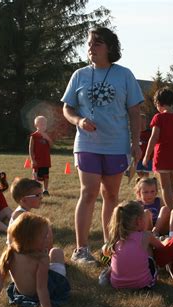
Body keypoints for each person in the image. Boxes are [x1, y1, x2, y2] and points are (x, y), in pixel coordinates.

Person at [61, 27, 144, 264]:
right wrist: (78, 120)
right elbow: (67, 108)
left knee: (111, 195)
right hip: (86, 143)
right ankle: (82, 249)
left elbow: (134, 111)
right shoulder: (79, 75)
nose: (91, 48)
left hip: (116, 145)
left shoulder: (124, 75)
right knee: (88, 193)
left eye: (97, 43)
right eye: (89, 43)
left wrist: (135, 142)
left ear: (109, 47)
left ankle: (109, 248)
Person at [0, 213, 70, 307]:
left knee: (53, 253)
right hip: (43, 295)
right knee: (56, 252)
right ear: (31, 239)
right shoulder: (41, 259)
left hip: (20, 295)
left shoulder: (10, 254)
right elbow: (42, 289)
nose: (47, 239)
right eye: (44, 237)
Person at [99, 200, 164, 289]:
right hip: (144, 284)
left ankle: (107, 275)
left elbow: (106, 251)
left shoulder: (116, 238)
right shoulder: (146, 236)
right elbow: (161, 248)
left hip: (117, 284)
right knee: (148, 247)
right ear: (138, 221)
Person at [143, 87, 173, 213]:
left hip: (162, 156)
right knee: (171, 184)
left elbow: (153, 138)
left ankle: (171, 212)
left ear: (158, 103)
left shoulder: (158, 118)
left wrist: (147, 156)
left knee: (165, 187)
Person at [7, 178, 49, 245]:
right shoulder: (19, 215)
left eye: (41, 194)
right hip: (17, 252)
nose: (41, 197)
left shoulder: (25, 213)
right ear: (23, 200)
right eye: (37, 195)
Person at [29, 116, 53, 197]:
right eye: (41, 124)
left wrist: (48, 139)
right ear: (36, 125)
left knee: (46, 176)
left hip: (45, 160)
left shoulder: (46, 135)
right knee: (36, 176)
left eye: (44, 124)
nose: (43, 126)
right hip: (37, 161)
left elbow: (51, 145)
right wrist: (32, 160)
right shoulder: (34, 136)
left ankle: (45, 190)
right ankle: (35, 191)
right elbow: (31, 149)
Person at [136, 113, 152, 178]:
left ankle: (144, 183)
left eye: (142, 121)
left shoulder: (150, 132)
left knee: (146, 173)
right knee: (138, 171)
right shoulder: (135, 133)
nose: (141, 123)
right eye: (139, 121)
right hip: (138, 157)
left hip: (147, 157)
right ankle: (142, 182)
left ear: (145, 122)